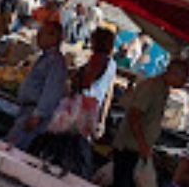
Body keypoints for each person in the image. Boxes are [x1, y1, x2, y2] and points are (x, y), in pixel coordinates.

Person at [28, 27, 113, 177]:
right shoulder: (112, 64)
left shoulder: (97, 59)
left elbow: (86, 82)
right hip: (91, 109)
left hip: (79, 108)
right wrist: (102, 119)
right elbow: (109, 94)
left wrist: (75, 78)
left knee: (65, 141)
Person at [112, 50, 189, 187]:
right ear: (174, 74)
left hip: (139, 149)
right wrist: (142, 143)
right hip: (129, 148)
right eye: (184, 78)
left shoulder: (163, 90)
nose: (184, 83)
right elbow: (134, 115)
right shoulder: (151, 87)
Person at [6, 17, 69, 150]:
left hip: (33, 113)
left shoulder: (55, 62)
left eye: (43, 34)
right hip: (27, 110)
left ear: (54, 38)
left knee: (14, 148)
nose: (38, 37)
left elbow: (51, 92)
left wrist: (37, 115)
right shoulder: (45, 58)